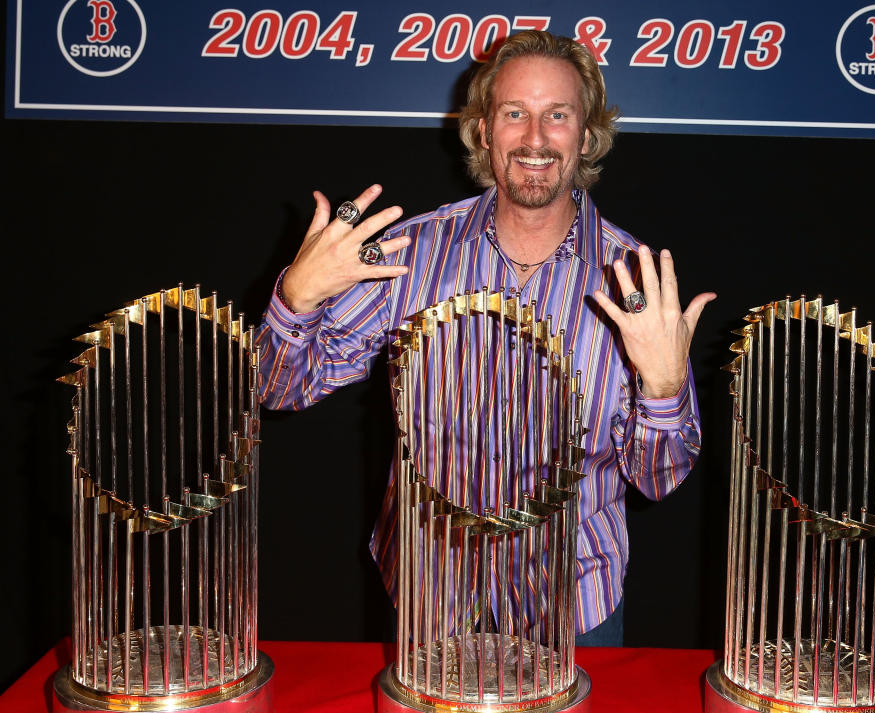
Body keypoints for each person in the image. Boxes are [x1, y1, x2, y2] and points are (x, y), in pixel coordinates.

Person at [256, 31, 715, 645]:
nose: (534, 139)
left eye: (558, 115)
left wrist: (662, 388)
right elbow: (278, 390)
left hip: (572, 595)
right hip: (430, 588)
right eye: (514, 113)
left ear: (586, 134)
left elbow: (660, 480)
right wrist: (297, 298)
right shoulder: (412, 256)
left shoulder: (634, 279)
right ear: (482, 130)